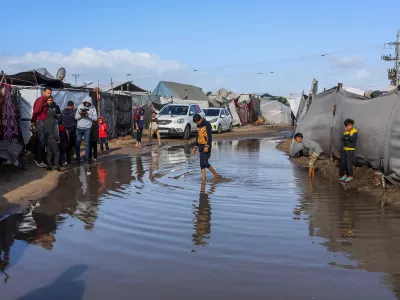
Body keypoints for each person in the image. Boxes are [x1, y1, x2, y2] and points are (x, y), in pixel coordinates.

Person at [191, 113, 221, 181]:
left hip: (206, 146)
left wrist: (207, 146)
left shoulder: (207, 124)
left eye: (198, 122)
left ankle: (215, 174)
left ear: (201, 119)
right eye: (196, 123)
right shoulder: (198, 126)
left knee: (205, 162)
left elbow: (209, 137)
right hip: (200, 146)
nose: (197, 123)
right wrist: (195, 147)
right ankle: (203, 179)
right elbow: (198, 137)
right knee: (201, 164)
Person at [31, 87, 52, 168]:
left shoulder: (44, 100)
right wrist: (33, 121)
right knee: (41, 142)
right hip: (40, 123)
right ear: (44, 92)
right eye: (48, 93)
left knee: (40, 141)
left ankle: (38, 159)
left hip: (42, 122)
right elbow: (36, 111)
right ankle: (39, 161)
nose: (49, 95)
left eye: (50, 93)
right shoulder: (41, 100)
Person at [75, 96, 97, 163]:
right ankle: (78, 159)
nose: (87, 104)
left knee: (87, 143)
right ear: (84, 102)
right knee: (77, 143)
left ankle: (86, 159)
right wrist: (81, 115)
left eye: (88, 103)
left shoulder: (93, 108)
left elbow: (96, 118)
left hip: (87, 128)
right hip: (79, 128)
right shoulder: (80, 106)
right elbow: (76, 117)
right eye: (85, 102)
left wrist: (88, 115)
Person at [44, 96, 62, 171]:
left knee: (49, 153)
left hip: (47, 139)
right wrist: (58, 138)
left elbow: (44, 131)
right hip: (54, 139)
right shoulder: (55, 121)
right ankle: (57, 165)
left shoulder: (45, 121)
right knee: (56, 152)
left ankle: (49, 166)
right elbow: (56, 131)